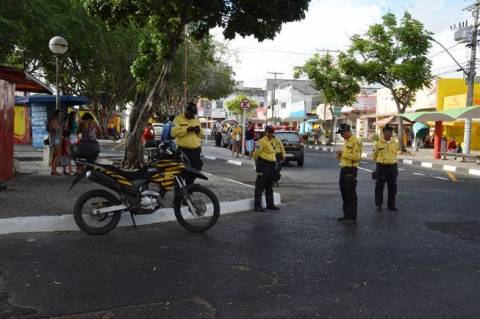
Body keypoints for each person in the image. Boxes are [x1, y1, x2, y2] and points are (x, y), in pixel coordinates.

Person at [336, 124, 362, 224]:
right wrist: (339, 155)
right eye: (341, 134)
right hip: (344, 169)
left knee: (350, 193)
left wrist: (343, 153)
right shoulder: (346, 142)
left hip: (351, 170)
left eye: (342, 133)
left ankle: (352, 217)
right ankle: (346, 215)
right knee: (344, 192)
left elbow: (357, 157)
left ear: (347, 131)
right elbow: (344, 157)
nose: (341, 135)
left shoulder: (356, 142)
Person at [172, 102, 203, 185]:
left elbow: (201, 135)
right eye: (191, 113)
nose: (193, 115)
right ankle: (179, 194)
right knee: (181, 173)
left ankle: (189, 189)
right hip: (183, 151)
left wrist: (198, 131)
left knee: (195, 171)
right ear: (186, 111)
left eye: (194, 113)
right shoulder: (178, 119)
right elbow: (173, 133)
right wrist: (186, 130)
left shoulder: (196, 120)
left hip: (195, 151)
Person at [373, 125, 399, 212]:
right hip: (381, 167)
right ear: (384, 132)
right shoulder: (378, 143)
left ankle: (391, 205)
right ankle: (379, 204)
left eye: (391, 131)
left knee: (392, 187)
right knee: (379, 187)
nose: (390, 133)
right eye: (388, 131)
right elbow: (374, 156)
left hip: (392, 167)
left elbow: (396, 153)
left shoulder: (395, 143)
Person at [252, 126, 279, 212]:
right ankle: (257, 206)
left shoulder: (272, 142)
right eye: (269, 132)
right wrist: (257, 165)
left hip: (271, 166)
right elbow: (256, 154)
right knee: (260, 186)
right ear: (266, 132)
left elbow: (274, 152)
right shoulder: (261, 142)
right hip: (263, 165)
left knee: (269, 186)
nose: (271, 134)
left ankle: (270, 204)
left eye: (272, 132)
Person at [47, 110, 62, 176]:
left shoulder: (52, 120)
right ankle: (54, 170)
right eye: (60, 114)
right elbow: (54, 129)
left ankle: (53, 170)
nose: (61, 115)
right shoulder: (55, 120)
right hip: (55, 139)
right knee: (58, 155)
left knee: (55, 155)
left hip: (53, 138)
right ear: (56, 114)